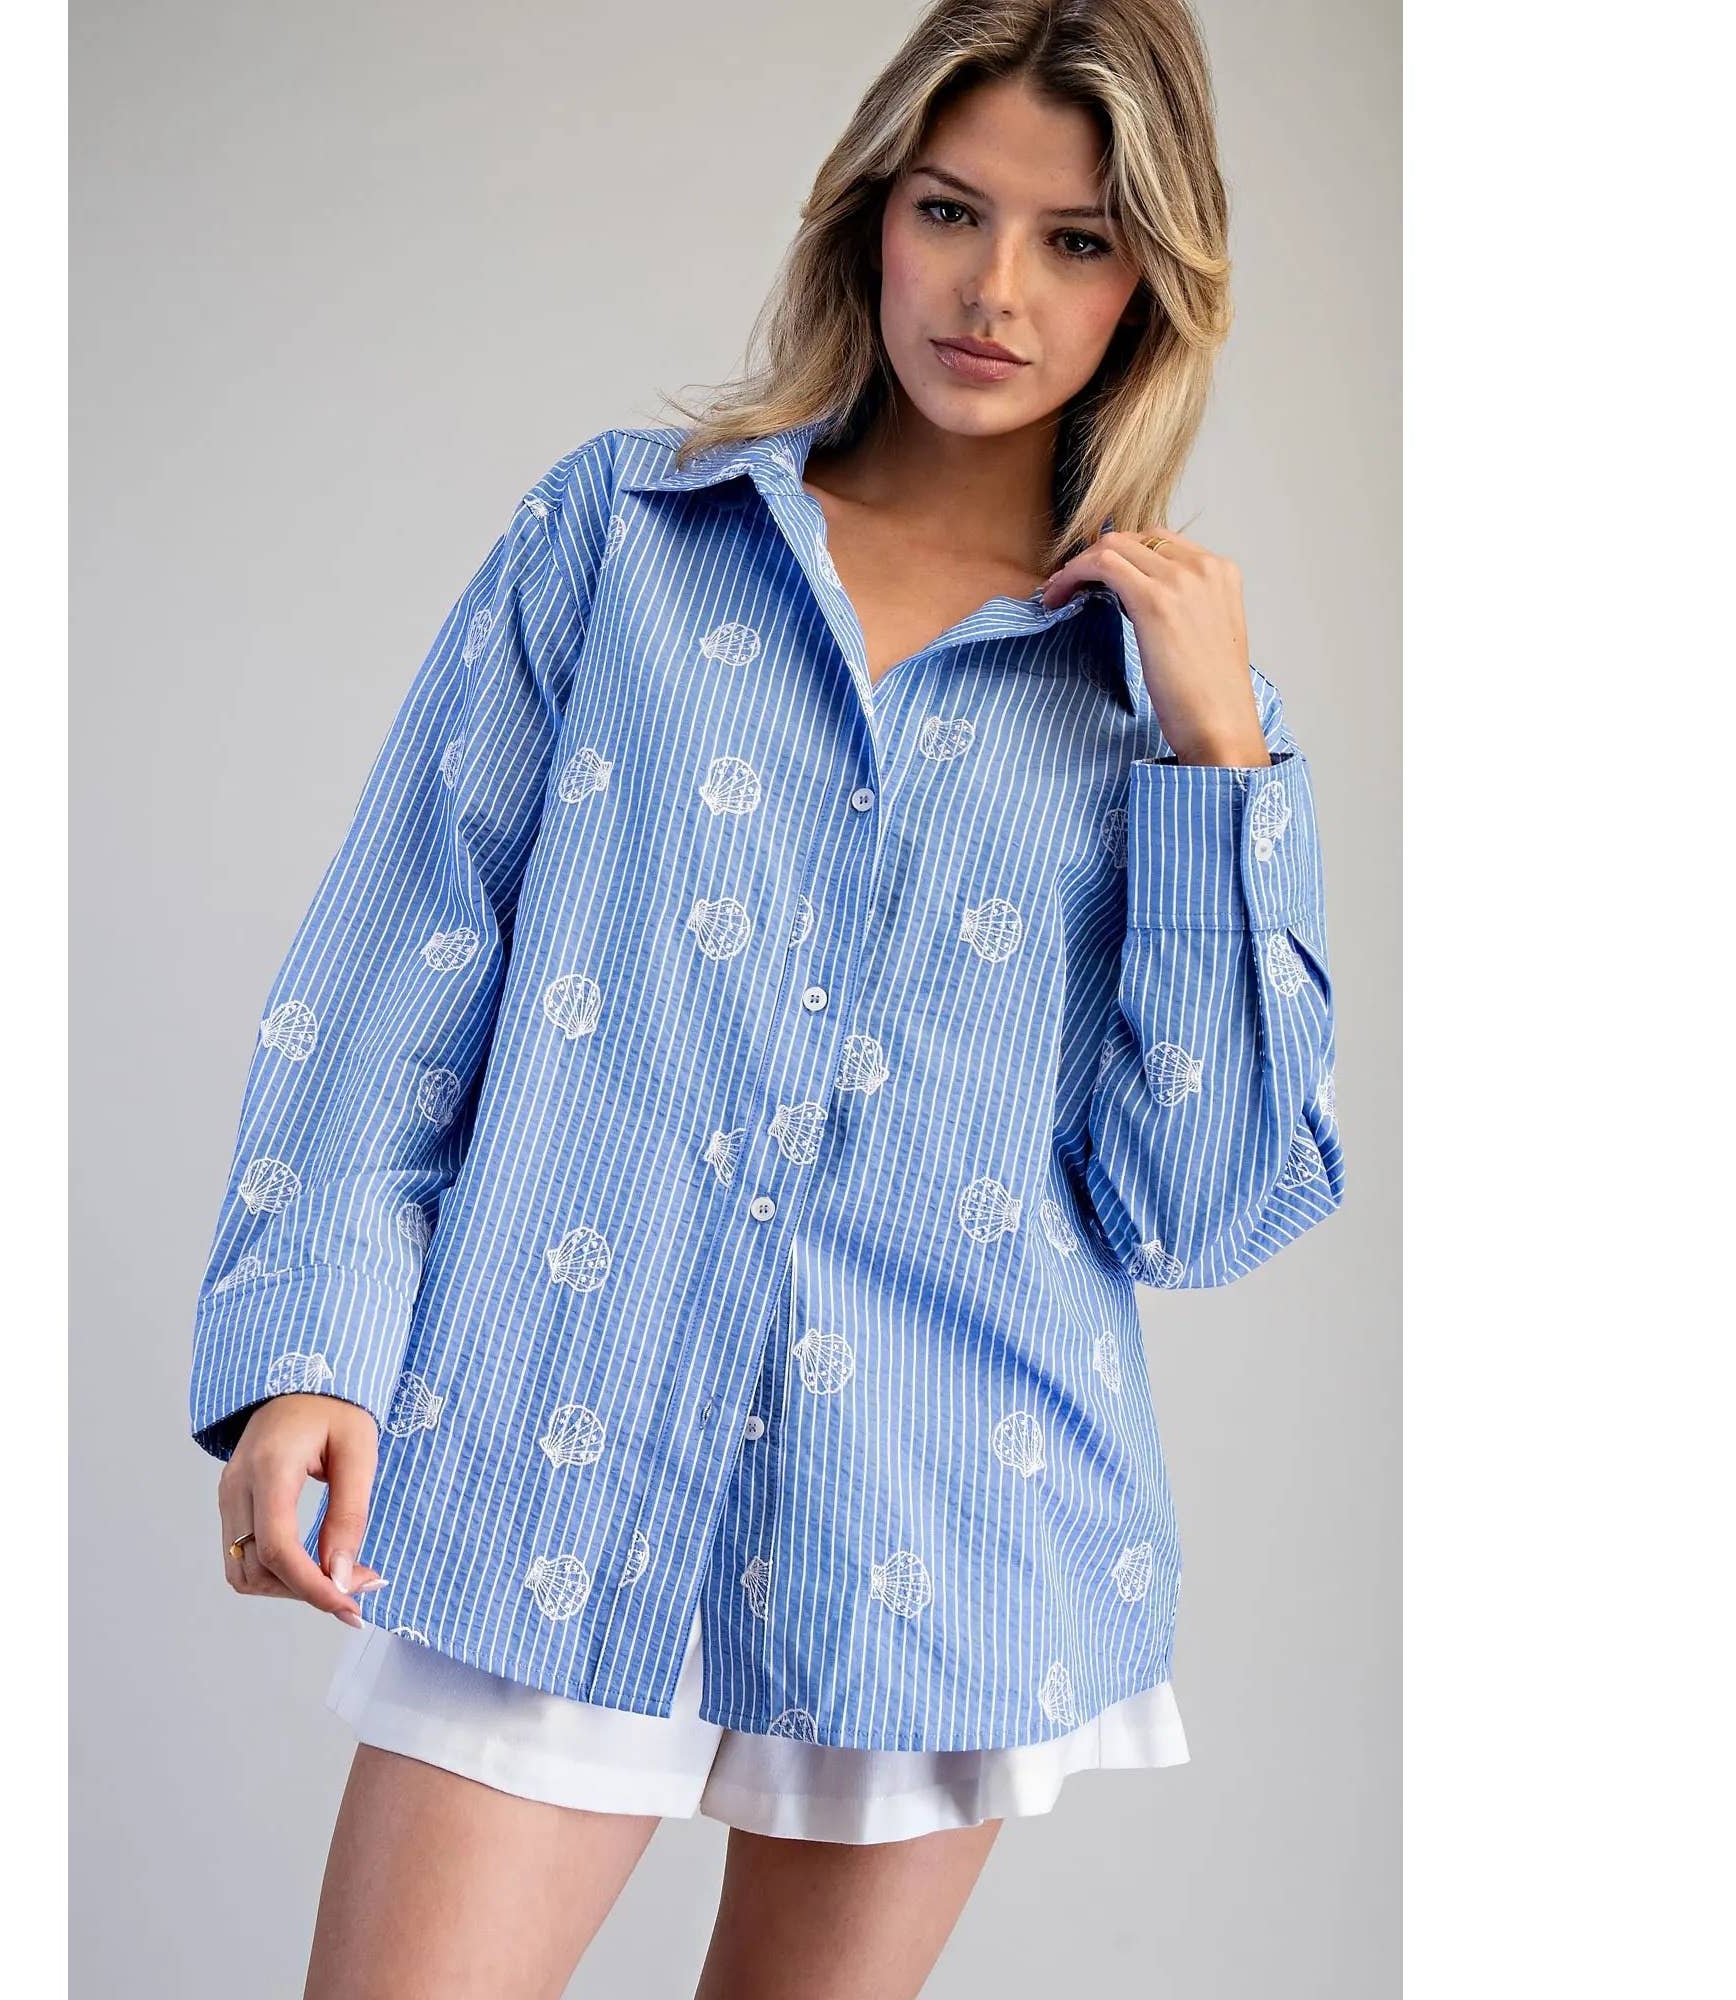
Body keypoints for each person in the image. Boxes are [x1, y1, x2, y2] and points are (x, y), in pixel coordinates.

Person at [188, 2, 1346, 1992]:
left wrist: (1218, 759)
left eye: (1074, 240)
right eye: (950, 210)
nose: (994, 289)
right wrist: (313, 1352)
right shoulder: (627, 536)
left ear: (1152, 284)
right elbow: (401, 961)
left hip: (943, 1517)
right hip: (544, 1446)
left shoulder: (1173, 711)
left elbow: (1206, 1206)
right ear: (868, 216)